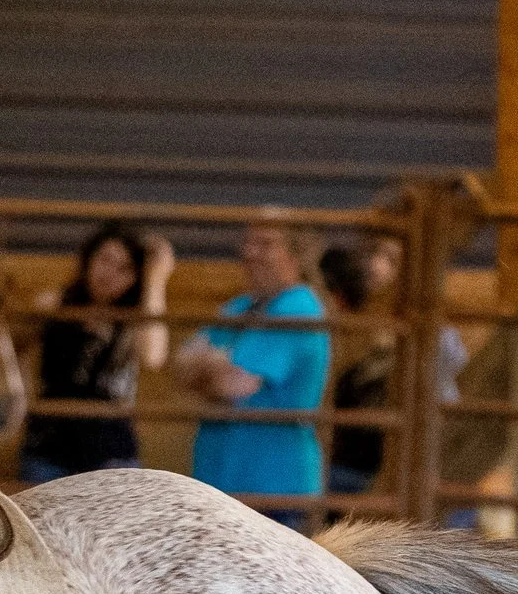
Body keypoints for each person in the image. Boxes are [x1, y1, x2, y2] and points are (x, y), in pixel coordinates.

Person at [167, 219, 330, 531]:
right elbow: (180, 370)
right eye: (247, 243)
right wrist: (217, 367)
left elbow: (233, 383)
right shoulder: (240, 306)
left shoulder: (298, 307)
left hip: (274, 490)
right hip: (222, 487)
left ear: (294, 256)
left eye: (265, 244)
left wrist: (211, 365)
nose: (250, 252)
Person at [18, 220, 172, 484]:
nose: (109, 273)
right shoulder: (53, 304)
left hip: (110, 449)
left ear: (136, 277)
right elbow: (15, 351)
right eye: (104, 259)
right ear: (88, 259)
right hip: (49, 444)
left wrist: (156, 280)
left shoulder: (134, 321)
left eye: (125, 269)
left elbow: (153, 357)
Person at [316, 243, 392, 509]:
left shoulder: (376, 334)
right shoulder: (344, 334)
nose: (377, 267)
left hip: (361, 469)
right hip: (346, 466)